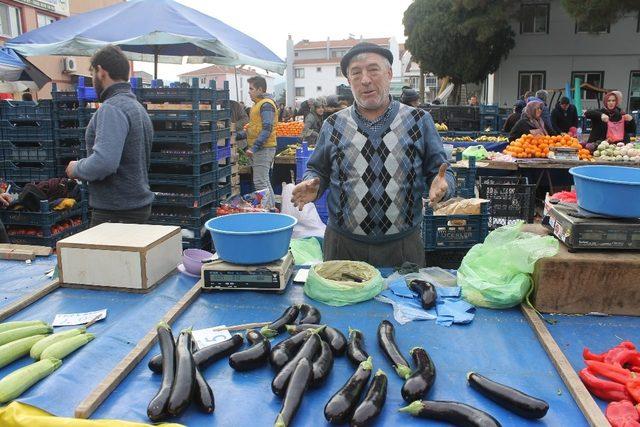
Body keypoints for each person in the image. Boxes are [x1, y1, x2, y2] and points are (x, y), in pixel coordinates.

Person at [291, 42, 455, 267]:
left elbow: (441, 171)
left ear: (389, 74)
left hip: (403, 247)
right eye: (356, 73)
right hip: (343, 246)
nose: (365, 79)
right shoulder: (333, 124)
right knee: (342, 301)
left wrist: (443, 185)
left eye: (373, 70)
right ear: (349, 81)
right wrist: (312, 184)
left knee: (404, 301)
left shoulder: (419, 120)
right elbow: (318, 170)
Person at [65, 45, 154, 227]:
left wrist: (76, 168)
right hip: (134, 208)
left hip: (116, 213)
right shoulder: (136, 107)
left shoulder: (112, 108)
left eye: (92, 74)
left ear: (100, 71)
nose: (93, 80)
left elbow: (104, 163)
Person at [246, 75, 278, 208]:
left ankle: (266, 213)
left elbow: (267, 128)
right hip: (263, 147)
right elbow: (255, 128)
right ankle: (271, 209)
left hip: (264, 148)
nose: (249, 91)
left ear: (260, 89)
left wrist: (254, 147)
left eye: (251, 88)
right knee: (264, 181)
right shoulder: (258, 105)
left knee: (260, 182)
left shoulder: (266, 105)